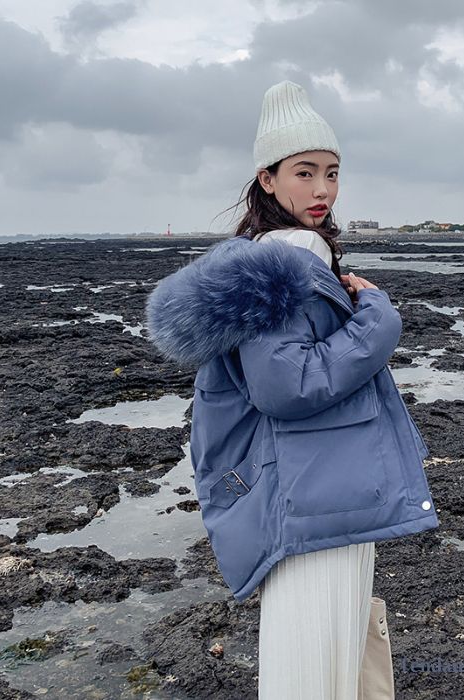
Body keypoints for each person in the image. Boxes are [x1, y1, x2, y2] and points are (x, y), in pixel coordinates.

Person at [145, 80, 438, 699]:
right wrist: (379, 322)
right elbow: (286, 385)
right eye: (304, 173)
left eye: (332, 173)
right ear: (268, 180)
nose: (323, 190)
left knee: (320, 662)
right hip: (314, 498)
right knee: (316, 669)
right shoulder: (288, 254)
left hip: (313, 491)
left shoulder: (273, 255)